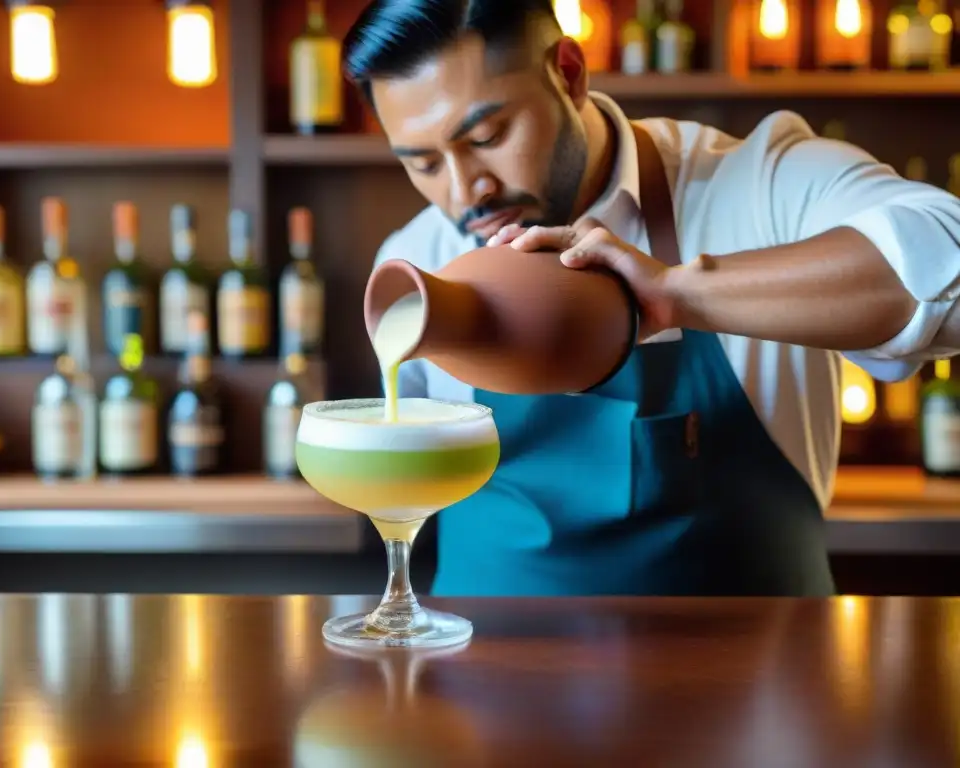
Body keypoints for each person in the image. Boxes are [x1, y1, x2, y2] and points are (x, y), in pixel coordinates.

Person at [343, 0, 960, 597]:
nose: (462, 191)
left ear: (568, 73)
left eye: (486, 135)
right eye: (422, 163)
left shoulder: (756, 187)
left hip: (756, 692)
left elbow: (947, 266)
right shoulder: (418, 256)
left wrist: (676, 293)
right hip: (483, 684)